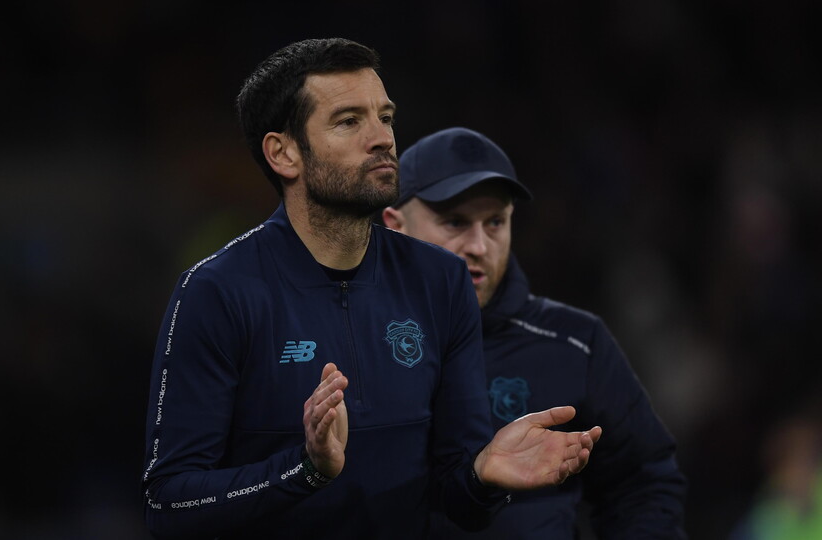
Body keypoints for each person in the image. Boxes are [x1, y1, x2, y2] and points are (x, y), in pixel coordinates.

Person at [141, 40, 602, 539]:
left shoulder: (441, 280)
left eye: (385, 117)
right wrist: (305, 470)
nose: (382, 138)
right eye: (349, 121)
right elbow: (170, 506)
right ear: (284, 153)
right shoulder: (217, 292)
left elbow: (460, 501)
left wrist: (483, 475)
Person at [382, 126, 687, 539]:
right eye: (454, 221)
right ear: (394, 225)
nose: (479, 245)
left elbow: (643, 483)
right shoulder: (350, 339)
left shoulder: (576, 343)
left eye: (495, 222)